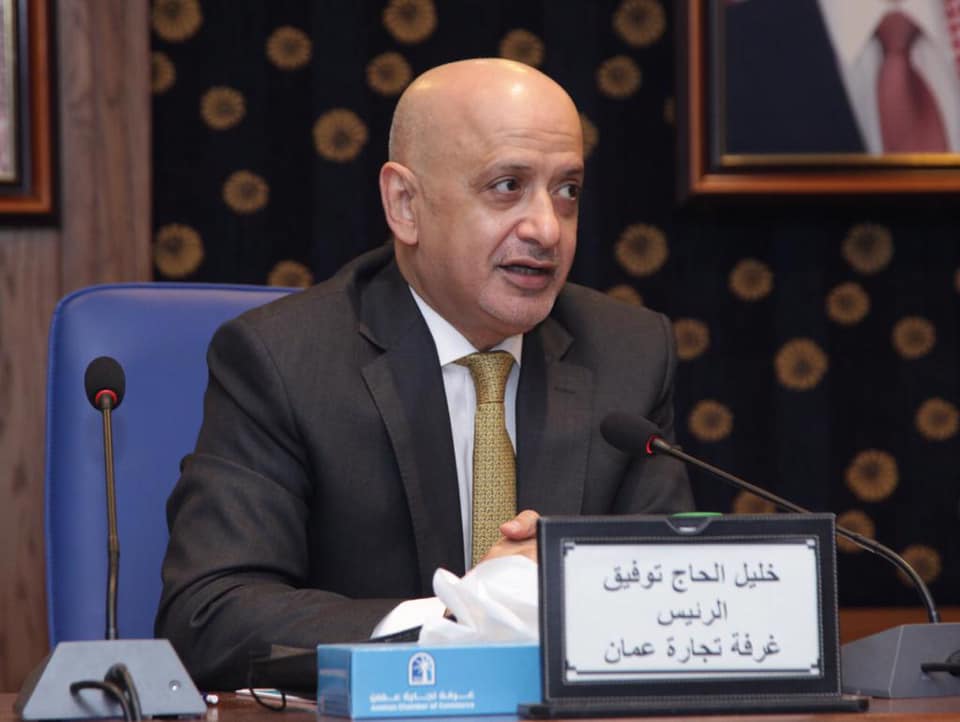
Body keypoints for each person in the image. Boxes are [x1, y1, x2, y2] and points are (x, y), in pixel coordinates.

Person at [156, 58, 693, 690]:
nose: (547, 228)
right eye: (507, 186)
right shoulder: (281, 360)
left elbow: (678, 598)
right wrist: (461, 619)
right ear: (405, 204)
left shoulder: (629, 354)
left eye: (567, 191)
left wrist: (569, 583)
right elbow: (209, 617)